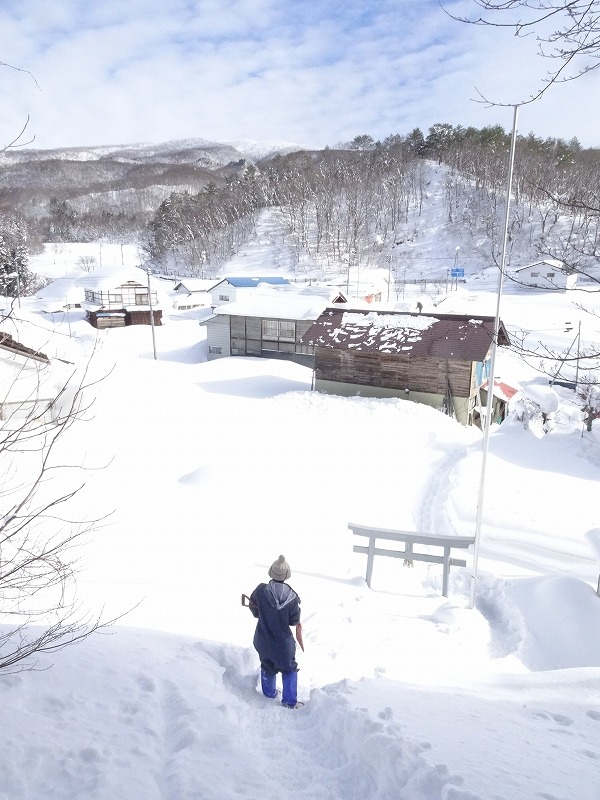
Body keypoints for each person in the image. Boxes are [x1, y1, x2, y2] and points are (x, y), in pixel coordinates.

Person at [249, 555, 303, 708]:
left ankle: (269, 693)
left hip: (263, 638)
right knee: (289, 668)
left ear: (271, 572)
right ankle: (289, 701)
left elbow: (254, 609)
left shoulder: (260, 590)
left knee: (267, 664)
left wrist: (264, 615)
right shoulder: (292, 598)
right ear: (287, 575)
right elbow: (293, 620)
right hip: (283, 644)